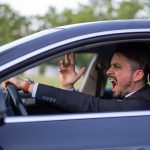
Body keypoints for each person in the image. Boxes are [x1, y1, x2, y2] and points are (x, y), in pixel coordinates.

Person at [1, 42, 150, 112]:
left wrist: (27, 86)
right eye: (110, 65)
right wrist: (68, 87)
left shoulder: (142, 104)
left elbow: (93, 106)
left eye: (117, 66)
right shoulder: (132, 97)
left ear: (138, 75)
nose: (108, 71)